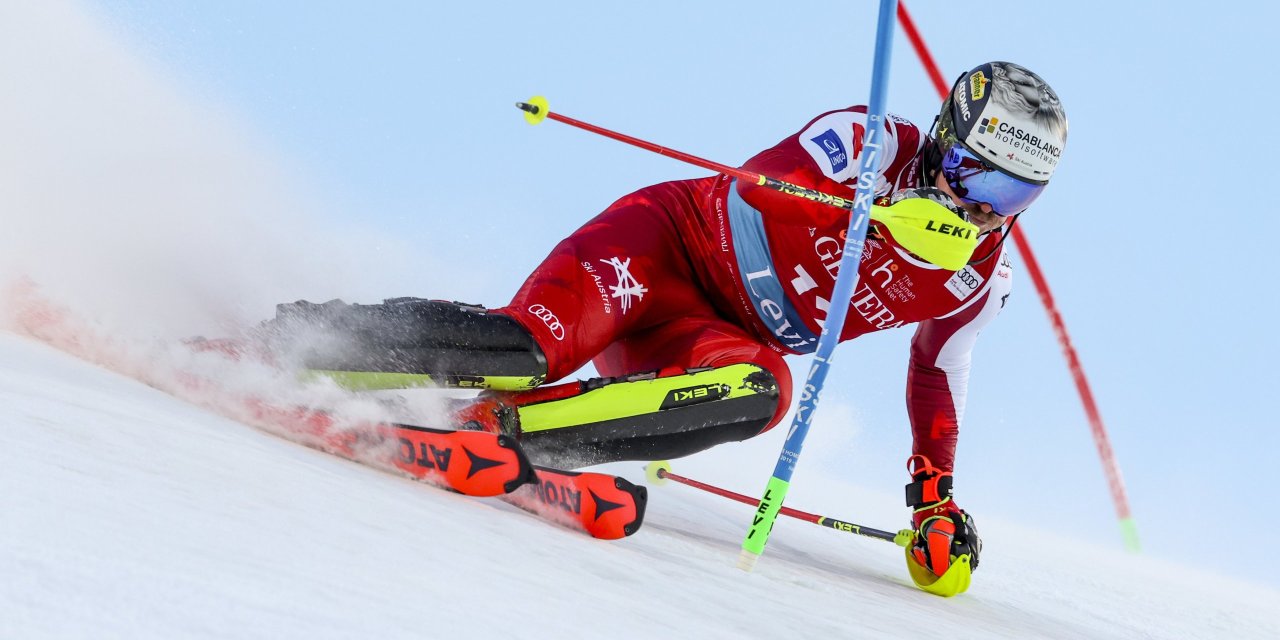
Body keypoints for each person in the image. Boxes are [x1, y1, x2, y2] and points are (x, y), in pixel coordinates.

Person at [266, 61, 1067, 580]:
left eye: (1011, 196)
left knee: (763, 392)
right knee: (528, 348)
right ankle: (306, 341)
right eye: (972, 177)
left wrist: (934, 499)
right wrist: (867, 211)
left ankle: (499, 428)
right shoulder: (869, 141)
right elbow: (758, 183)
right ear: (942, 142)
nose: (981, 209)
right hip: (662, 250)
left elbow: (937, 372)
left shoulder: (980, 275)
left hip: (711, 335)